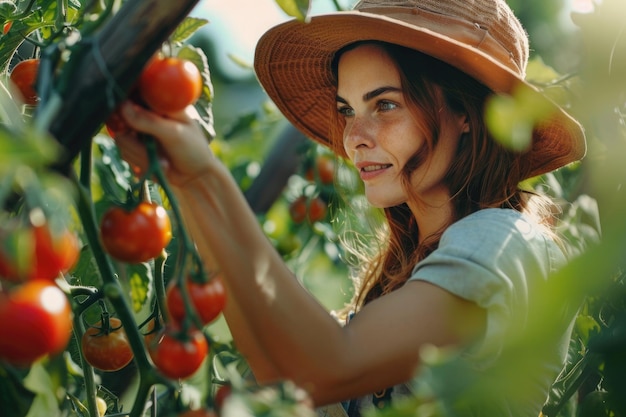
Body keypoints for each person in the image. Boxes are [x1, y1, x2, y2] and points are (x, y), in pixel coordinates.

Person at [114, 0, 587, 415]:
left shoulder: (507, 243)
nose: (354, 138)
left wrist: (207, 177)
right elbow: (282, 373)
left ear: (466, 113)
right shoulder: (406, 274)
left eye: (384, 105)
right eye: (346, 110)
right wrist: (185, 183)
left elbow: (325, 367)